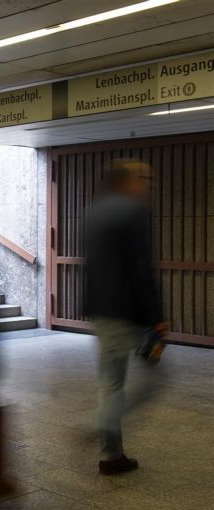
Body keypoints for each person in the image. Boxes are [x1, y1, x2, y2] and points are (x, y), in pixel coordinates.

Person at [85, 159, 166, 475]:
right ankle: (97, 426)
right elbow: (140, 268)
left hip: (102, 312)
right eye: (144, 178)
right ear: (127, 181)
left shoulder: (94, 211)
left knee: (111, 384)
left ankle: (111, 453)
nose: (148, 184)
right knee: (154, 379)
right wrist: (156, 317)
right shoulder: (133, 212)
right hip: (127, 315)